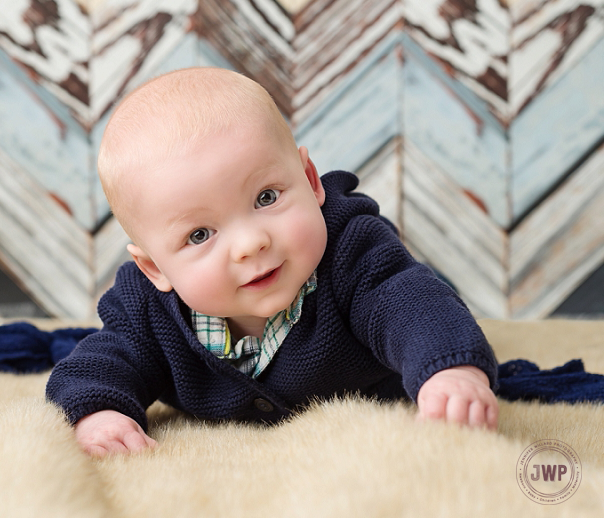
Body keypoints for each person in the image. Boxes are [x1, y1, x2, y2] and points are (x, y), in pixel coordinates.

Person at [46, 67, 499, 457]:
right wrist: (99, 413)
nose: (249, 243)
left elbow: (411, 305)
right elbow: (102, 362)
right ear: (156, 269)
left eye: (266, 197)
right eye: (199, 235)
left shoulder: (351, 250)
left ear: (309, 180)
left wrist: (450, 370)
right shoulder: (145, 309)